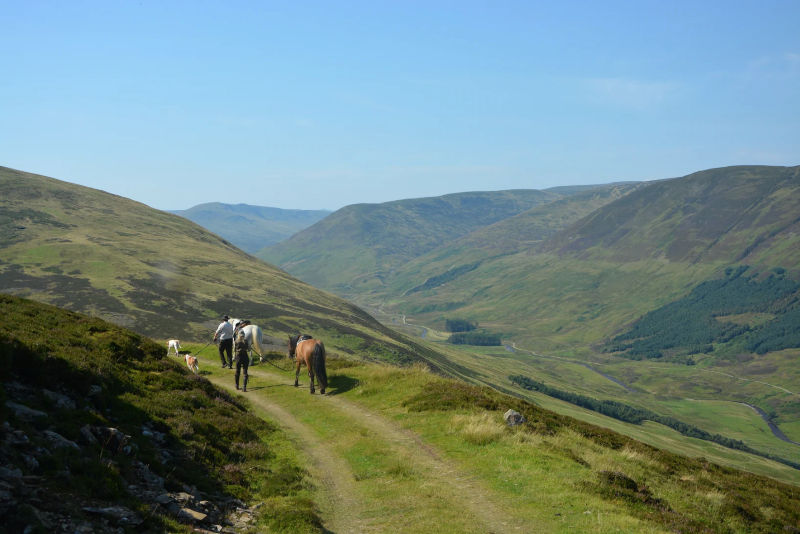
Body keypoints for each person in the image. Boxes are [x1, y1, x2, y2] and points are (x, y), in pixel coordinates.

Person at [233, 327, 250, 392]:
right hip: (245, 357)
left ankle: (237, 386)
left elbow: (234, 350)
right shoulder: (246, 341)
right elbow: (249, 349)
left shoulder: (236, 341)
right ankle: (244, 387)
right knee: (245, 372)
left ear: (238, 335)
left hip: (238, 357)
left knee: (237, 372)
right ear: (244, 335)